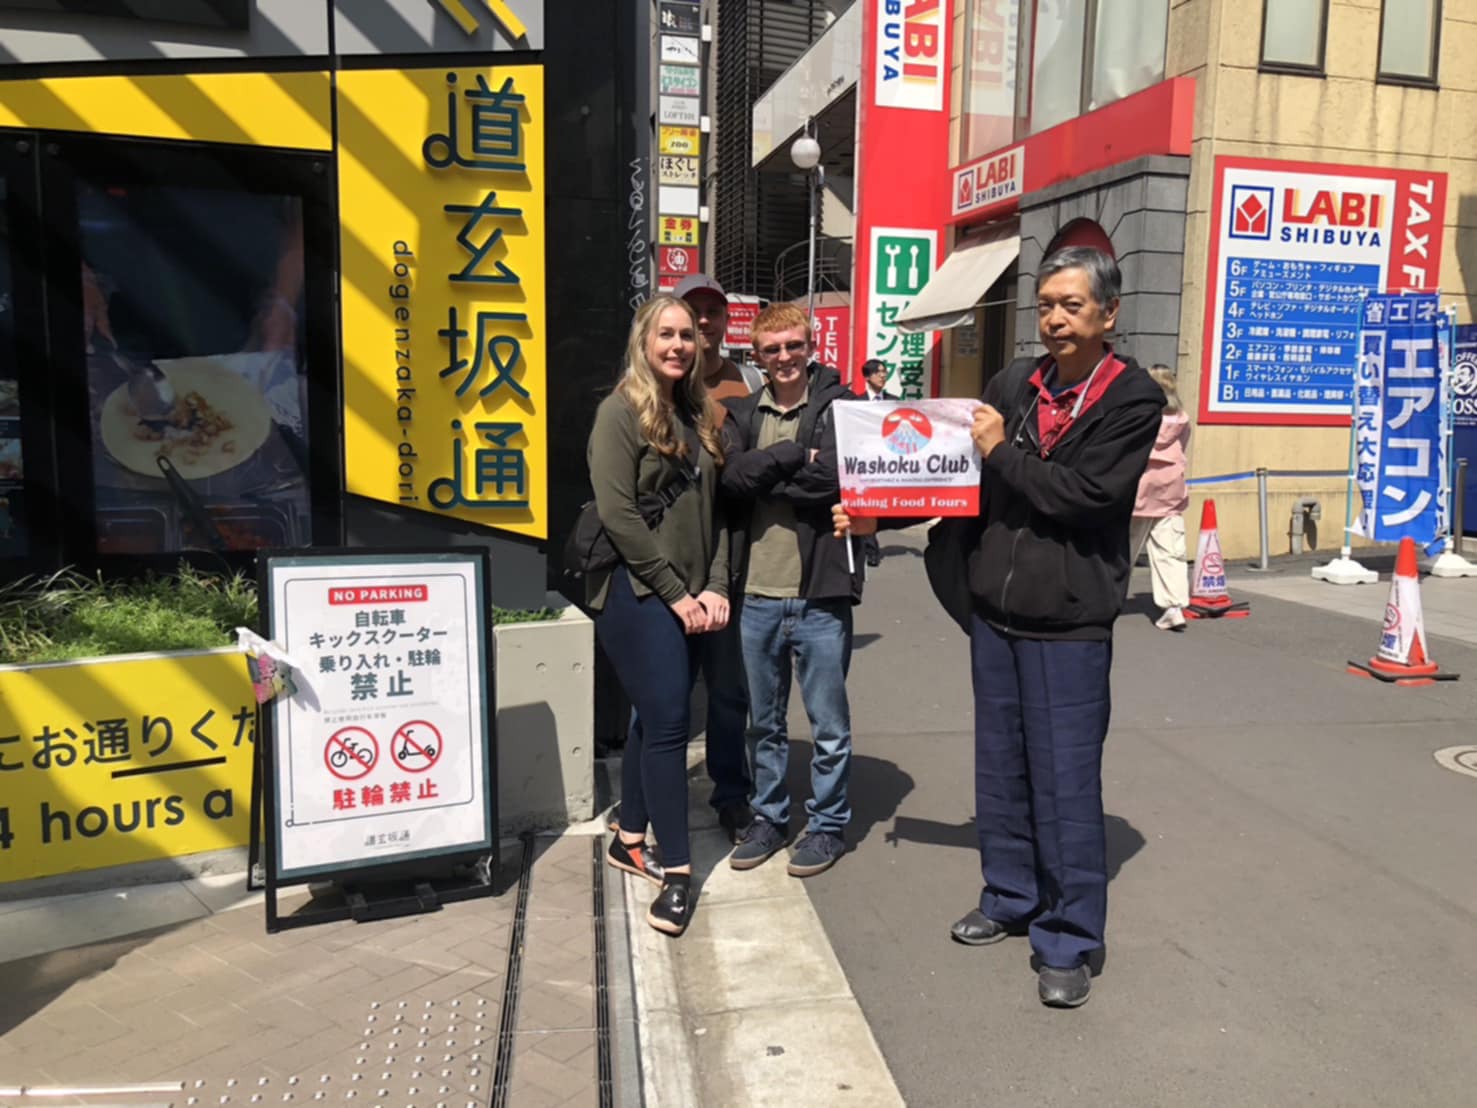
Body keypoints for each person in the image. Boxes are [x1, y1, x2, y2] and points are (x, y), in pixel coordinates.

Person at [835, 246, 1163, 1007]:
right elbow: (958, 482)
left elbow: (1082, 496)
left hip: (1069, 623)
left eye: (1071, 305)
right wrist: (878, 514)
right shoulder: (1013, 384)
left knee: (1065, 783)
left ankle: (1068, 937)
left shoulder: (1131, 399)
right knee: (1002, 770)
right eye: (1045, 305)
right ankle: (1010, 896)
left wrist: (999, 450)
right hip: (996, 615)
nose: (1054, 319)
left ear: (1108, 313)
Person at [585, 295, 730, 936]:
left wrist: (716, 584)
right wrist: (677, 592)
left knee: (654, 717)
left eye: (687, 336)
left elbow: (719, 514)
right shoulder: (619, 413)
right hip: (637, 594)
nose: (677, 346)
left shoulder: (700, 414)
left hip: (694, 595)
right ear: (644, 342)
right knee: (671, 726)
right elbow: (618, 516)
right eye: (665, 335)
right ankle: (677, 872)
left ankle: (630, 838)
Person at [720, 303, 862, 878]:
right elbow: (732, 480)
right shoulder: (741, 412)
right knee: (763, 723)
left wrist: (766, 476)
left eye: (793, 346)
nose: (784, 357)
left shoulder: (842, 408)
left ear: (811, 346)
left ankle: (827, 826)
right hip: (756, 592)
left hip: (821, 591)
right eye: (772, 349)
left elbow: (835, 478)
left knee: (829, 726)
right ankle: (769, 818)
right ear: (756, 355)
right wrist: (791, 456)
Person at [1130, 365, 1192, 631]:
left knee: (1122, 548)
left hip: (1137, 488)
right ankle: (1173, 607)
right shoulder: (1182, 418)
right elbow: (1183, 446)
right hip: (1170, 489)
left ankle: (1107, 598)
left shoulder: (1137, 416)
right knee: (1170, 551)